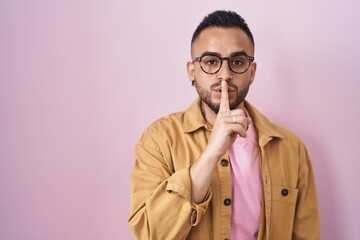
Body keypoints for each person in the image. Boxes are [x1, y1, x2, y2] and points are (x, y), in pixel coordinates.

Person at [128, 10, 320, 240]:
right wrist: (211, 153)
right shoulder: (158, 139)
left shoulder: (291, 148)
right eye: (211, 62)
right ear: (191, 72)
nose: (225, 74)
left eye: (237, 62)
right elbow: (150, 233)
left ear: (252, 72)